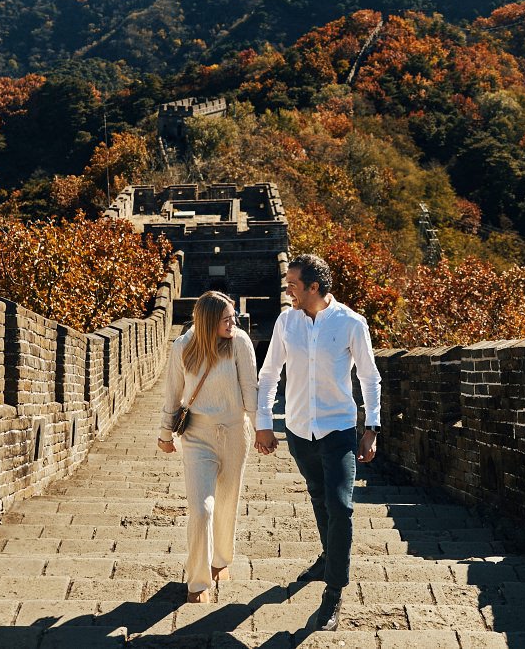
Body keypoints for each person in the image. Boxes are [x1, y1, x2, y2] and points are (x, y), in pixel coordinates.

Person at [255, 254, 381, 632]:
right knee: (317, 495)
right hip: (298, 429)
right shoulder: (286, 321)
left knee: (341, 506)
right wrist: (264, 424)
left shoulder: (351, 324)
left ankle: (334, 591)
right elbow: (269, 372)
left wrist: (372, 426)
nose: (287, 289)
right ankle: (329, 555)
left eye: (292, 283)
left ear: (314, 287)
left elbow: (370, 378)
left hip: (338, 429)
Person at [157, 291, 258, 603]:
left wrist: (262, 429)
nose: (233, 323)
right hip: (197, 436)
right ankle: (198, 581)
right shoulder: (183, 346)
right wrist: (165, 433)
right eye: (226, 319)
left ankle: (220, 560)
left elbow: (250, 390)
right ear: (208, 321)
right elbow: (173, 394)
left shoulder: (239, 342)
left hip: (234, 433)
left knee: (227, 502)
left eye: (233, 317)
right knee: (202, 510)